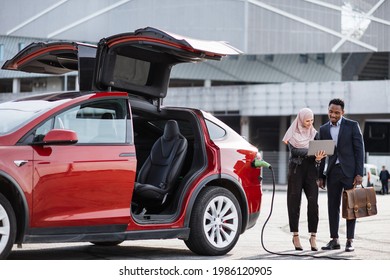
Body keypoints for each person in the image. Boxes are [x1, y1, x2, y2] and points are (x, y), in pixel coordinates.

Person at [317, 98, 364, 252]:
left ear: (343, 112)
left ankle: (350, 240)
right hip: (332, 172)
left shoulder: (352, 126)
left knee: (351, 206)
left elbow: (359, 151)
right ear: (328, 111)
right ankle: (334, 239)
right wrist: (320, 176)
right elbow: (321, 155)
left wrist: (359, 173)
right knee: (332, 206)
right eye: (331, 111)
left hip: (349, 172)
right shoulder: (323, 129)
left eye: (337, 112)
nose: (333, 115)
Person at [282, 108, 326, 251]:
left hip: (311, 171)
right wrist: (312, 152)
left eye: (312, 120)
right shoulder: (292, 133)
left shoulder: (315, 134)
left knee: (313, 203)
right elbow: (294, 151)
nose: (310, 123)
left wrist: (318, 158)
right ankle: (295, 235)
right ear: (301, 119)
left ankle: (313, 236)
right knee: (294, 202)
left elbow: (319, 153)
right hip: (296, 171)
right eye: (307, 120)